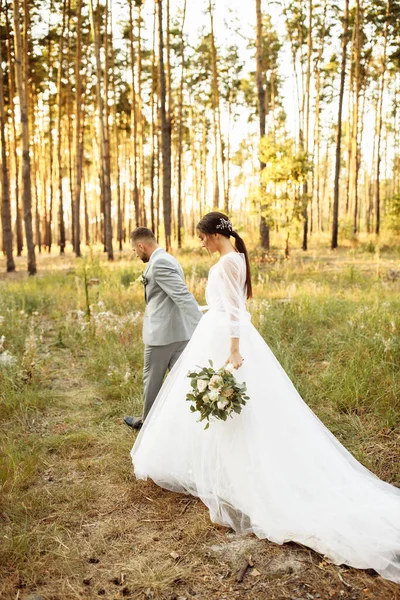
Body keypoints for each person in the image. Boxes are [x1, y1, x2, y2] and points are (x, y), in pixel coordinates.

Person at [130, 212, 400, 583]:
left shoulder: (226, 263)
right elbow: (230, 306)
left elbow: (236, 311)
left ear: (214, 235)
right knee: (231, 409)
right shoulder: (237, 258)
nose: (201, 244)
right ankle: (220, 463)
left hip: (227, 340)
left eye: (203, 237)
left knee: (222, 405)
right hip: (222, 330)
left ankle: (230, 470)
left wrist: (235, 351)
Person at [124, 227, 202, 430]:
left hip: (162, 336)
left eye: (135, 250)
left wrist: (202, 325)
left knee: (152, 380)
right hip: (178, 333)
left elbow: (183, 296)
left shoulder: (159, 263)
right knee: (184, 379)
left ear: (141, 246)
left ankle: (147, 424)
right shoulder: (169, 258)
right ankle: (191, 420)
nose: (136, 254)